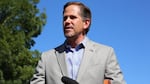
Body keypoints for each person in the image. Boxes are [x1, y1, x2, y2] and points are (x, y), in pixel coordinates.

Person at [30, 1, 126, 84]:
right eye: (65, 18)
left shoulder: (106, 54)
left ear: (86, 23)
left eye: (72, 17)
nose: (67, 21)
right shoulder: (47, 57)